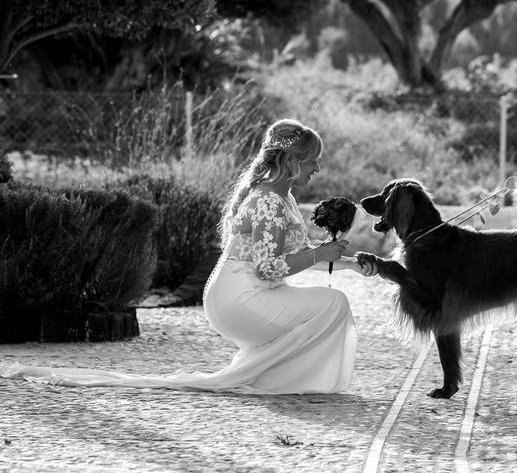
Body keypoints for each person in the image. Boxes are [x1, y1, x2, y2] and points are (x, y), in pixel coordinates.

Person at [1, 118, 376, 394]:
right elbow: (268, 267)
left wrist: (346, 264)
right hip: (242, 299)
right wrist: (320, 254)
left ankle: (277, 377)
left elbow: (295, 255)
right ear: (292, 162)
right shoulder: (266, 200)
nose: (318, 168)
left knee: (333, 302)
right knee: (334, 304)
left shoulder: (283, 197)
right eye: (313, 161)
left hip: (251, 294)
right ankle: (285, 381)